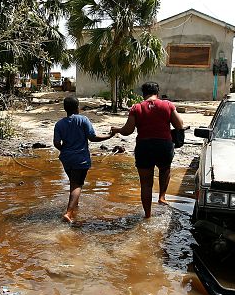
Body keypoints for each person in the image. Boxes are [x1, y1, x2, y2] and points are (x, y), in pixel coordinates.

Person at [111, 82, 184, 219]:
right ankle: (162, 197)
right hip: (164, 145)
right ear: (157, 92)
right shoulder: (167, 105)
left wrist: (117, 130)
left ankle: (147, 215)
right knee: (164, 170)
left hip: (144, 146)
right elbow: (179, 124)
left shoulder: (136, 108)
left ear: (143, 94)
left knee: (146, 184)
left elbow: (128, 131)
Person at [53, 96, 112, 223]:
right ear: (77, 108)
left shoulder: (59, 124)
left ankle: (75, 207)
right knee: (77, 184)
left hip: (66, 158)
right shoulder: (83, 119)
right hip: (81, 158)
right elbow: (93, 137)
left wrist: (64, 148)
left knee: (73, 182)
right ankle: (69, 213)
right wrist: (109, 135)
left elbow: (56, 143)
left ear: (64, 109)